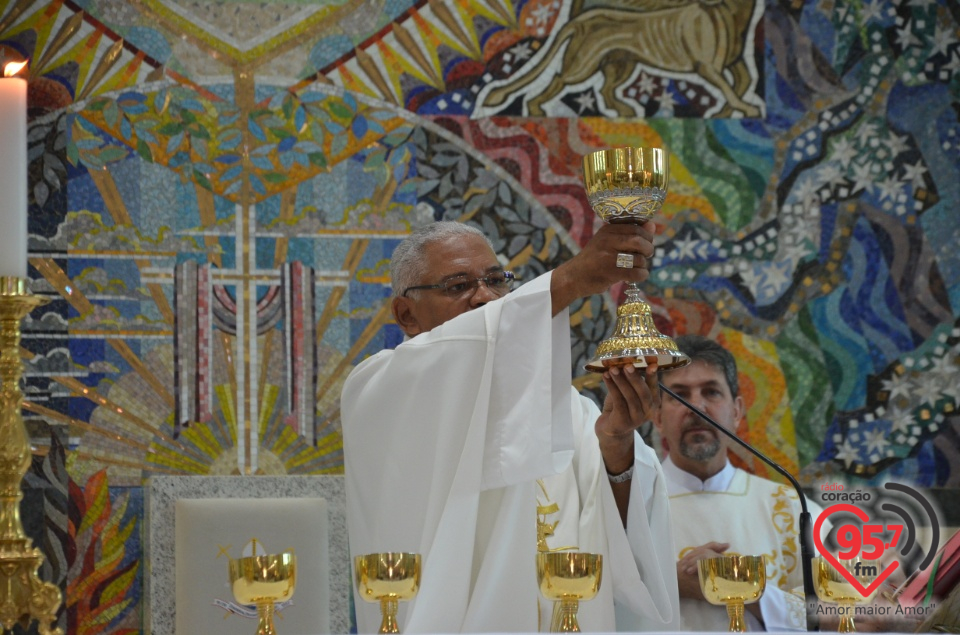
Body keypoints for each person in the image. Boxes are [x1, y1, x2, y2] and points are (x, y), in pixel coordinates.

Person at [341, 221, 680, 633]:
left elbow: (629, 540)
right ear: (405, 313)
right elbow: (462, 354)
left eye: (496, 281)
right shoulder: (378, 390)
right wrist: (570, 279)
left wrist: (615, 444)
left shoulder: (571, 412)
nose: (484, 297)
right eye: (457, 285)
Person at [654, 334, 827, 631]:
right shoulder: (628, 504)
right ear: (657, 417)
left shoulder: (792, 509)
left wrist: (743, 589)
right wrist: (670, 584)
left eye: (711, 392)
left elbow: (842, 615)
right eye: (680, 395)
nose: (697, 407)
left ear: (736, 411)